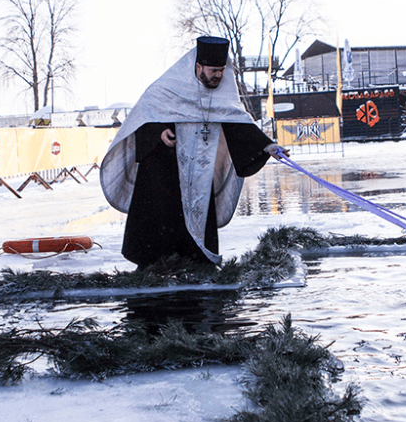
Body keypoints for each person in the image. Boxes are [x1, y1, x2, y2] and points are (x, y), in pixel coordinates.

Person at [100, 36, 288, 269]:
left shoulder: (222, 93)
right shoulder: (167, 87)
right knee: (161, 223)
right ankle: (153, 266)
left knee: (197, 223)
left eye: (221, 70)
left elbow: (237, 124)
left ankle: (198, 263)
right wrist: (159, 133)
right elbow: (143, 118)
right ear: (198, 67)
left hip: (199, 171)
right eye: (212, 71)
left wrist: (266, 146)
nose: (218, 76)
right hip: (163, 173)